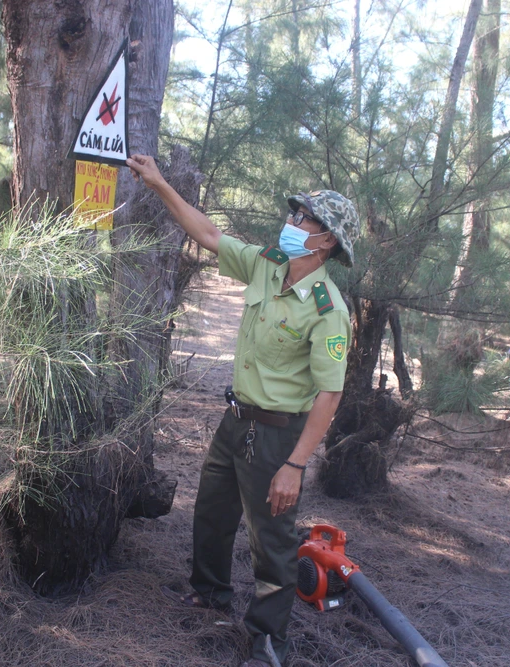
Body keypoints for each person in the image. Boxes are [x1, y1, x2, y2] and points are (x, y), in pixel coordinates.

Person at [125, 154, 359, 667]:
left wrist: (295, 465)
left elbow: (330, 394)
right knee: (212, 512)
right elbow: (207, 233)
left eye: (303, 219)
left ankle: (268, 640)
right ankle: (209, 592)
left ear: (326, 242)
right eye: (294, 214)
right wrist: (160, 184)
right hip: (236, 421)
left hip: (278, 437)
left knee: (272, 541)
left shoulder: (327, 308)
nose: (291, 223)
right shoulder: (267, 263)